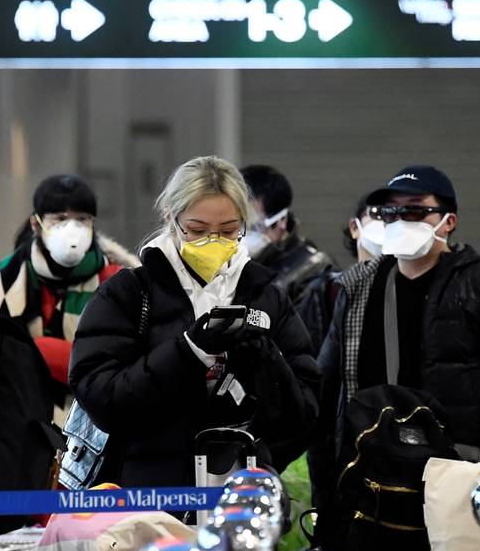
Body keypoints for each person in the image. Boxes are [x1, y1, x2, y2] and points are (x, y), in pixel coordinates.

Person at [68, 156, 320, 491]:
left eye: (229, 230)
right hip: (147, 497)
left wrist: (264, 358)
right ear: (171, 219)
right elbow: (101, 397)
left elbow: (303, 413)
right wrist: (189, 352)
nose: (214, 240)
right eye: (198, 230)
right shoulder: (128, 294)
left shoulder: (266, 297)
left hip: (238, 496)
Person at [310, 164, 480, 513]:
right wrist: (327, 491)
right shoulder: (358, 288)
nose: (401, 220)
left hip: (457, 471)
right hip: (372, 470)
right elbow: (325, 389)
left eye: (415, 210)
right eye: (391, 212)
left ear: (449, 221)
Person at [0, 175, 138, 407]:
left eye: (82, 219)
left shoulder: (113, 280)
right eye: (60, 219)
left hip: (90, 418)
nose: (71, 229)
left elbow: (112, 363)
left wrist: (33, 351)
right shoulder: (6, 277)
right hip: (18, 414)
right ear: (36, 224)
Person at [296, 195, 386, 355]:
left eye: (391, 217)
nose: (384, 223)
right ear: (354, 228)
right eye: (376, 215)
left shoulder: (405, 287)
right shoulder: (329, 291)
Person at [240, 164, 334, 301]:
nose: (240, 234)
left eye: (253, 227)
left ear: (281, 222)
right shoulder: (232, 265)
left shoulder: (313, 271)